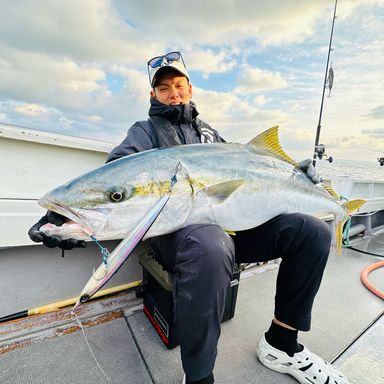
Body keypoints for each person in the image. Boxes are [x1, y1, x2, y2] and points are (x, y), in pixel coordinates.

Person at [28, 51, 350, 384]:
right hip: (177, 236)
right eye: (164, 87)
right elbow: (117, 176)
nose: (173, 93)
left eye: (179, 85)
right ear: (152, 94)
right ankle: (198, 377)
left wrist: (294, 173)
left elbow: (251, 166)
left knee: (312, 232)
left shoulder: (209, 134)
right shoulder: (144, 133)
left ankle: (281, 344)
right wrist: (60, 216)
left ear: (191, 88)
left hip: (231, 230)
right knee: (210, 244)